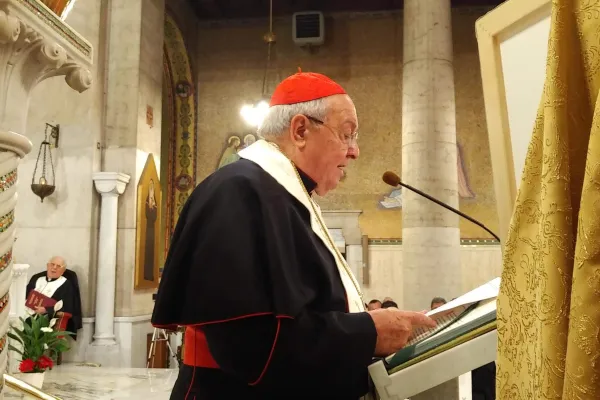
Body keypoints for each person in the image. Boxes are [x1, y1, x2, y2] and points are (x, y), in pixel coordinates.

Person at [152, 71, 435, 399]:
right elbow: (251, 347)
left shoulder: (286, 198)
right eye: (347, 135)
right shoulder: (238, 192)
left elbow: (303, 314)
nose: (355, 151)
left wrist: (360, 323)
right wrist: (368, 332)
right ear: (300, 130)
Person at [25, 256, 83, 339]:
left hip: (46, 317)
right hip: (25, 311)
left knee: (29, 323)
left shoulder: (66, 285)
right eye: (52, 264)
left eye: (58, 266)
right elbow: (24, 295)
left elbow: (68, 307)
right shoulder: (37, 278)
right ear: (47, 266)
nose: (54, 268)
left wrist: (46, 310)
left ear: (63, 271)